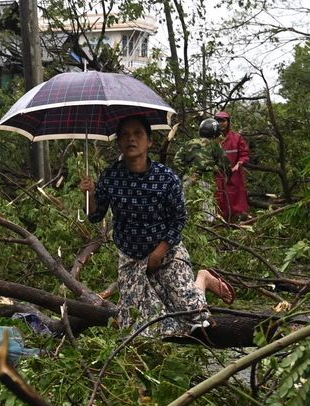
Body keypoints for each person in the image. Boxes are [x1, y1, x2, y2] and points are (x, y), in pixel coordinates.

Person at [80, 116, 212, 338]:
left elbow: (179, 219)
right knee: (137, 328)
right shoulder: (111, 176)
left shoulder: (166, 178)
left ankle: (203, 279)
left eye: (138, 134)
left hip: (167, 252)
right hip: (131, 257)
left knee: (196, 317)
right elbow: (95, 215)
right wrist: (90, 193)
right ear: (118, 142)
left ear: (150, 141)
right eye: (125, 135)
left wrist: (159, 252)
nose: (131, 139)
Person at [215, 110, 252, 223]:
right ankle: (221, 220)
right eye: (218, 121)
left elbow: (244, 154)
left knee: (236, 196)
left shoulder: (236, 137)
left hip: (234, 173)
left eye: (223, 121)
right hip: (218, 173)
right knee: (219, 195)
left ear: (228, 122)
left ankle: (237, 219)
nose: (221, 123)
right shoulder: (213, 138)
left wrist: (238, 164)